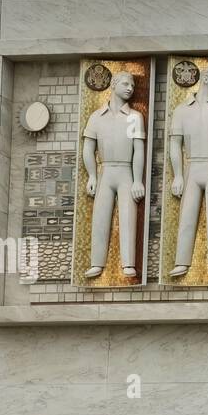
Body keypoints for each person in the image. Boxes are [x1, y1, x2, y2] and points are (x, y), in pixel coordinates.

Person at [167, 65, 208, 278]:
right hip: (191, 167)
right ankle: (182, 261)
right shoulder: (181, 110)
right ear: (205, 78)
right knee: (187, 216)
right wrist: (177, 174)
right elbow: (175, 144)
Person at [81, 70, 145, 279]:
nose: (130, 88)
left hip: (126, 170)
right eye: (126, 84)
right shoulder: (96, 117)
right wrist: (92, 175)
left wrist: (137, 180)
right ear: (114, 85)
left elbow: (138, 151)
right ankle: (97, 263)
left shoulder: (134, 117)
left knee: (128, 216)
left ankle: (128, 263)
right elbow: (88, 149)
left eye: (133, 86)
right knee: (100, 217)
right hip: (105, 171)